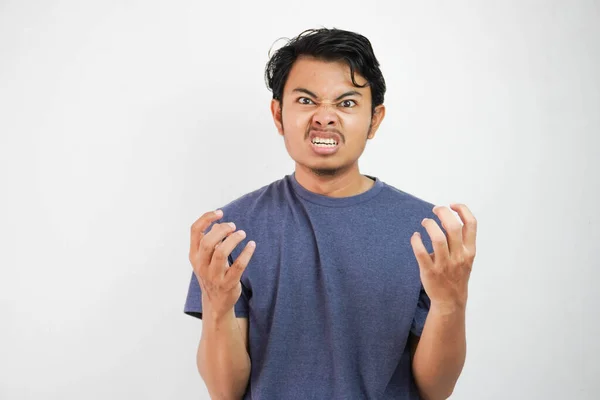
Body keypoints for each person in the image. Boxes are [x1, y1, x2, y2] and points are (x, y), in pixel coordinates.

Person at [184, 28, 477, 400]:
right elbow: (225, 392)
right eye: (306, 100)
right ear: (278, 114)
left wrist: (452, 302)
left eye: (347, 103)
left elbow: (436, 390)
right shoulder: (229, 232)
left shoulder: (427, 234)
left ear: (375, 119)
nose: (325, 117)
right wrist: (216, 302)